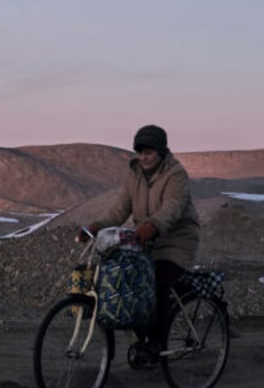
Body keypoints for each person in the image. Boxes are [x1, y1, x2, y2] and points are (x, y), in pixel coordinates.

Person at [83, 124, 200, 353]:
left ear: (161, 152)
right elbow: (119, 210)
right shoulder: (133, 174)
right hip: (145, 239)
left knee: (157, 282)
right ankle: (142, 338)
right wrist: (96, 226)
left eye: (149, 152)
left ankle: (158, 343)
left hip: (177, 240)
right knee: (128, 280)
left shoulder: (175, 174)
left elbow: (173, 208)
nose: (144, 157)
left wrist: (153, 224)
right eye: (140, 152)